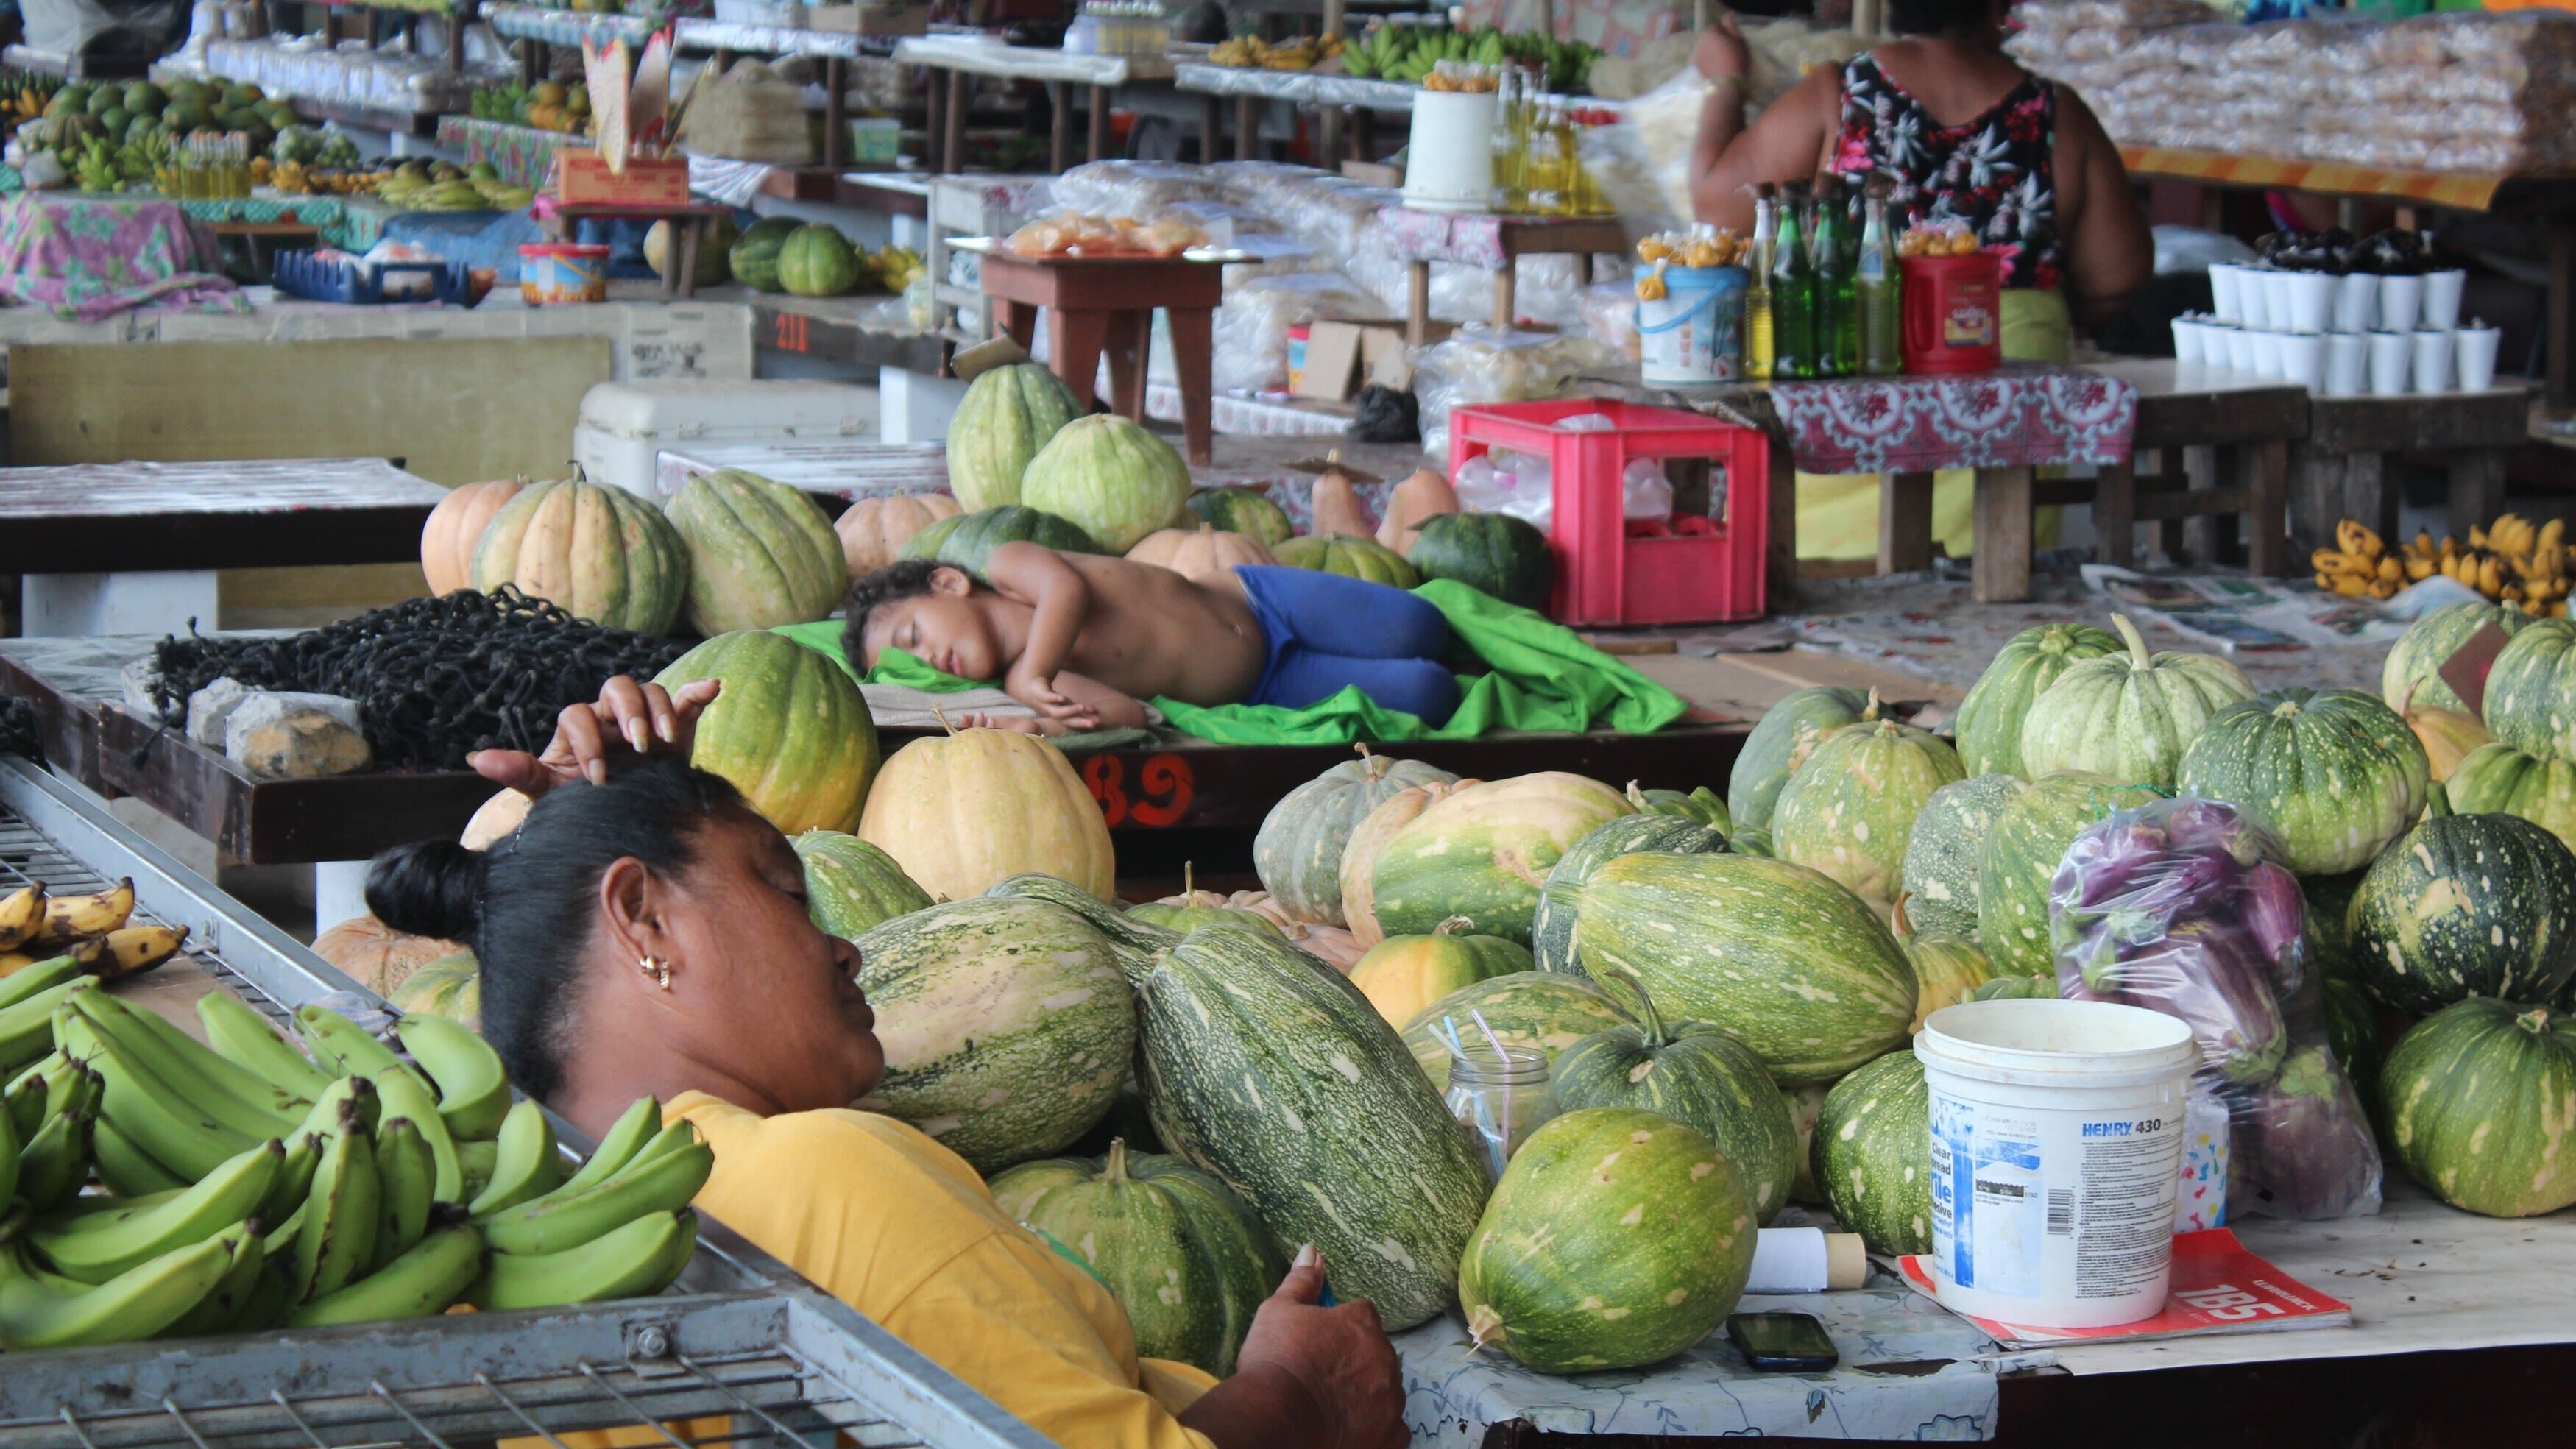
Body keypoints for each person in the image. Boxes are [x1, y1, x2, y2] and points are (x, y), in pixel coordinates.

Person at [367, 678, 1410, 1449]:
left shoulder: (512, 1211)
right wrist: (1301, 1395)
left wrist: (572, 839)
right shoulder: (824, 1176)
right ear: (642, 915)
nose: (845, 943)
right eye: (785, 889)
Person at [1685, 0, 2152, 563]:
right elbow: (2118, 275)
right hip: (2001, 402)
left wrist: (1727, 82)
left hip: (1854, 391)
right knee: (1991, 562)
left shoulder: (1841, 93)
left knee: (1820, 557)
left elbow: (1717, 201)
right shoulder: (2056, 113)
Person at [842, 544, 1461, 735]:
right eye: (913, 662)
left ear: (948, 582)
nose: (928, 657)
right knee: (1431, 691)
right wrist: (1031, 726)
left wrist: (1035, 675)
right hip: (1265, 680)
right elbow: (1126, 712)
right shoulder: (1026, 685)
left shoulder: (1012, 567)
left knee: (1423, 626)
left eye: (914, 634)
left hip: (1257, 599)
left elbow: (1068, 590)